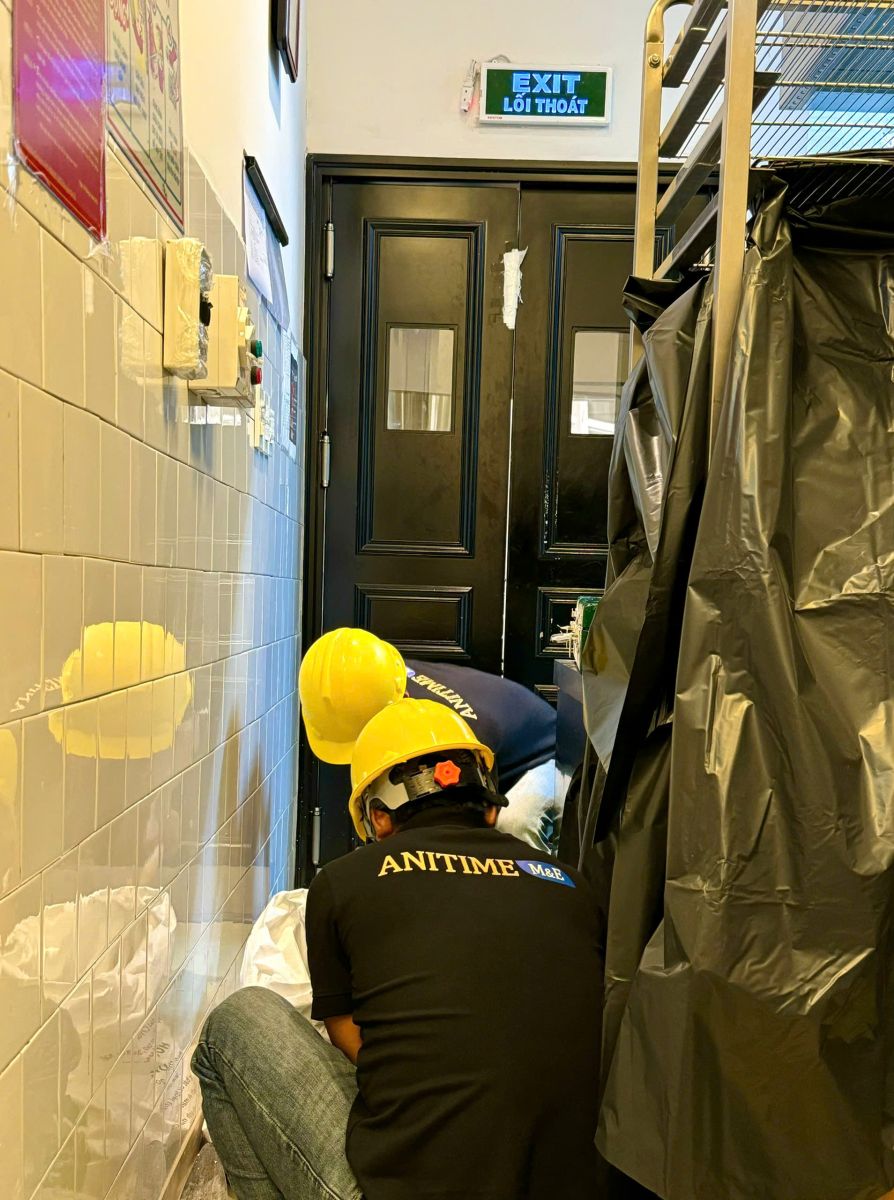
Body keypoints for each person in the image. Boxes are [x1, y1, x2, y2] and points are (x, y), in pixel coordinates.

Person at [192, 698, 603, 1200]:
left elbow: (352, 1040)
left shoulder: (343, 883)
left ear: (378, 818)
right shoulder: (571, 886)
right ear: (490, 805)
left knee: (234, 1024)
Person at [299, 628, 561, 853]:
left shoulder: (452, 732)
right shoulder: (383, 678)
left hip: (553, 755)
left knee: (513, 824)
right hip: (507, 745)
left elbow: (460, 822)